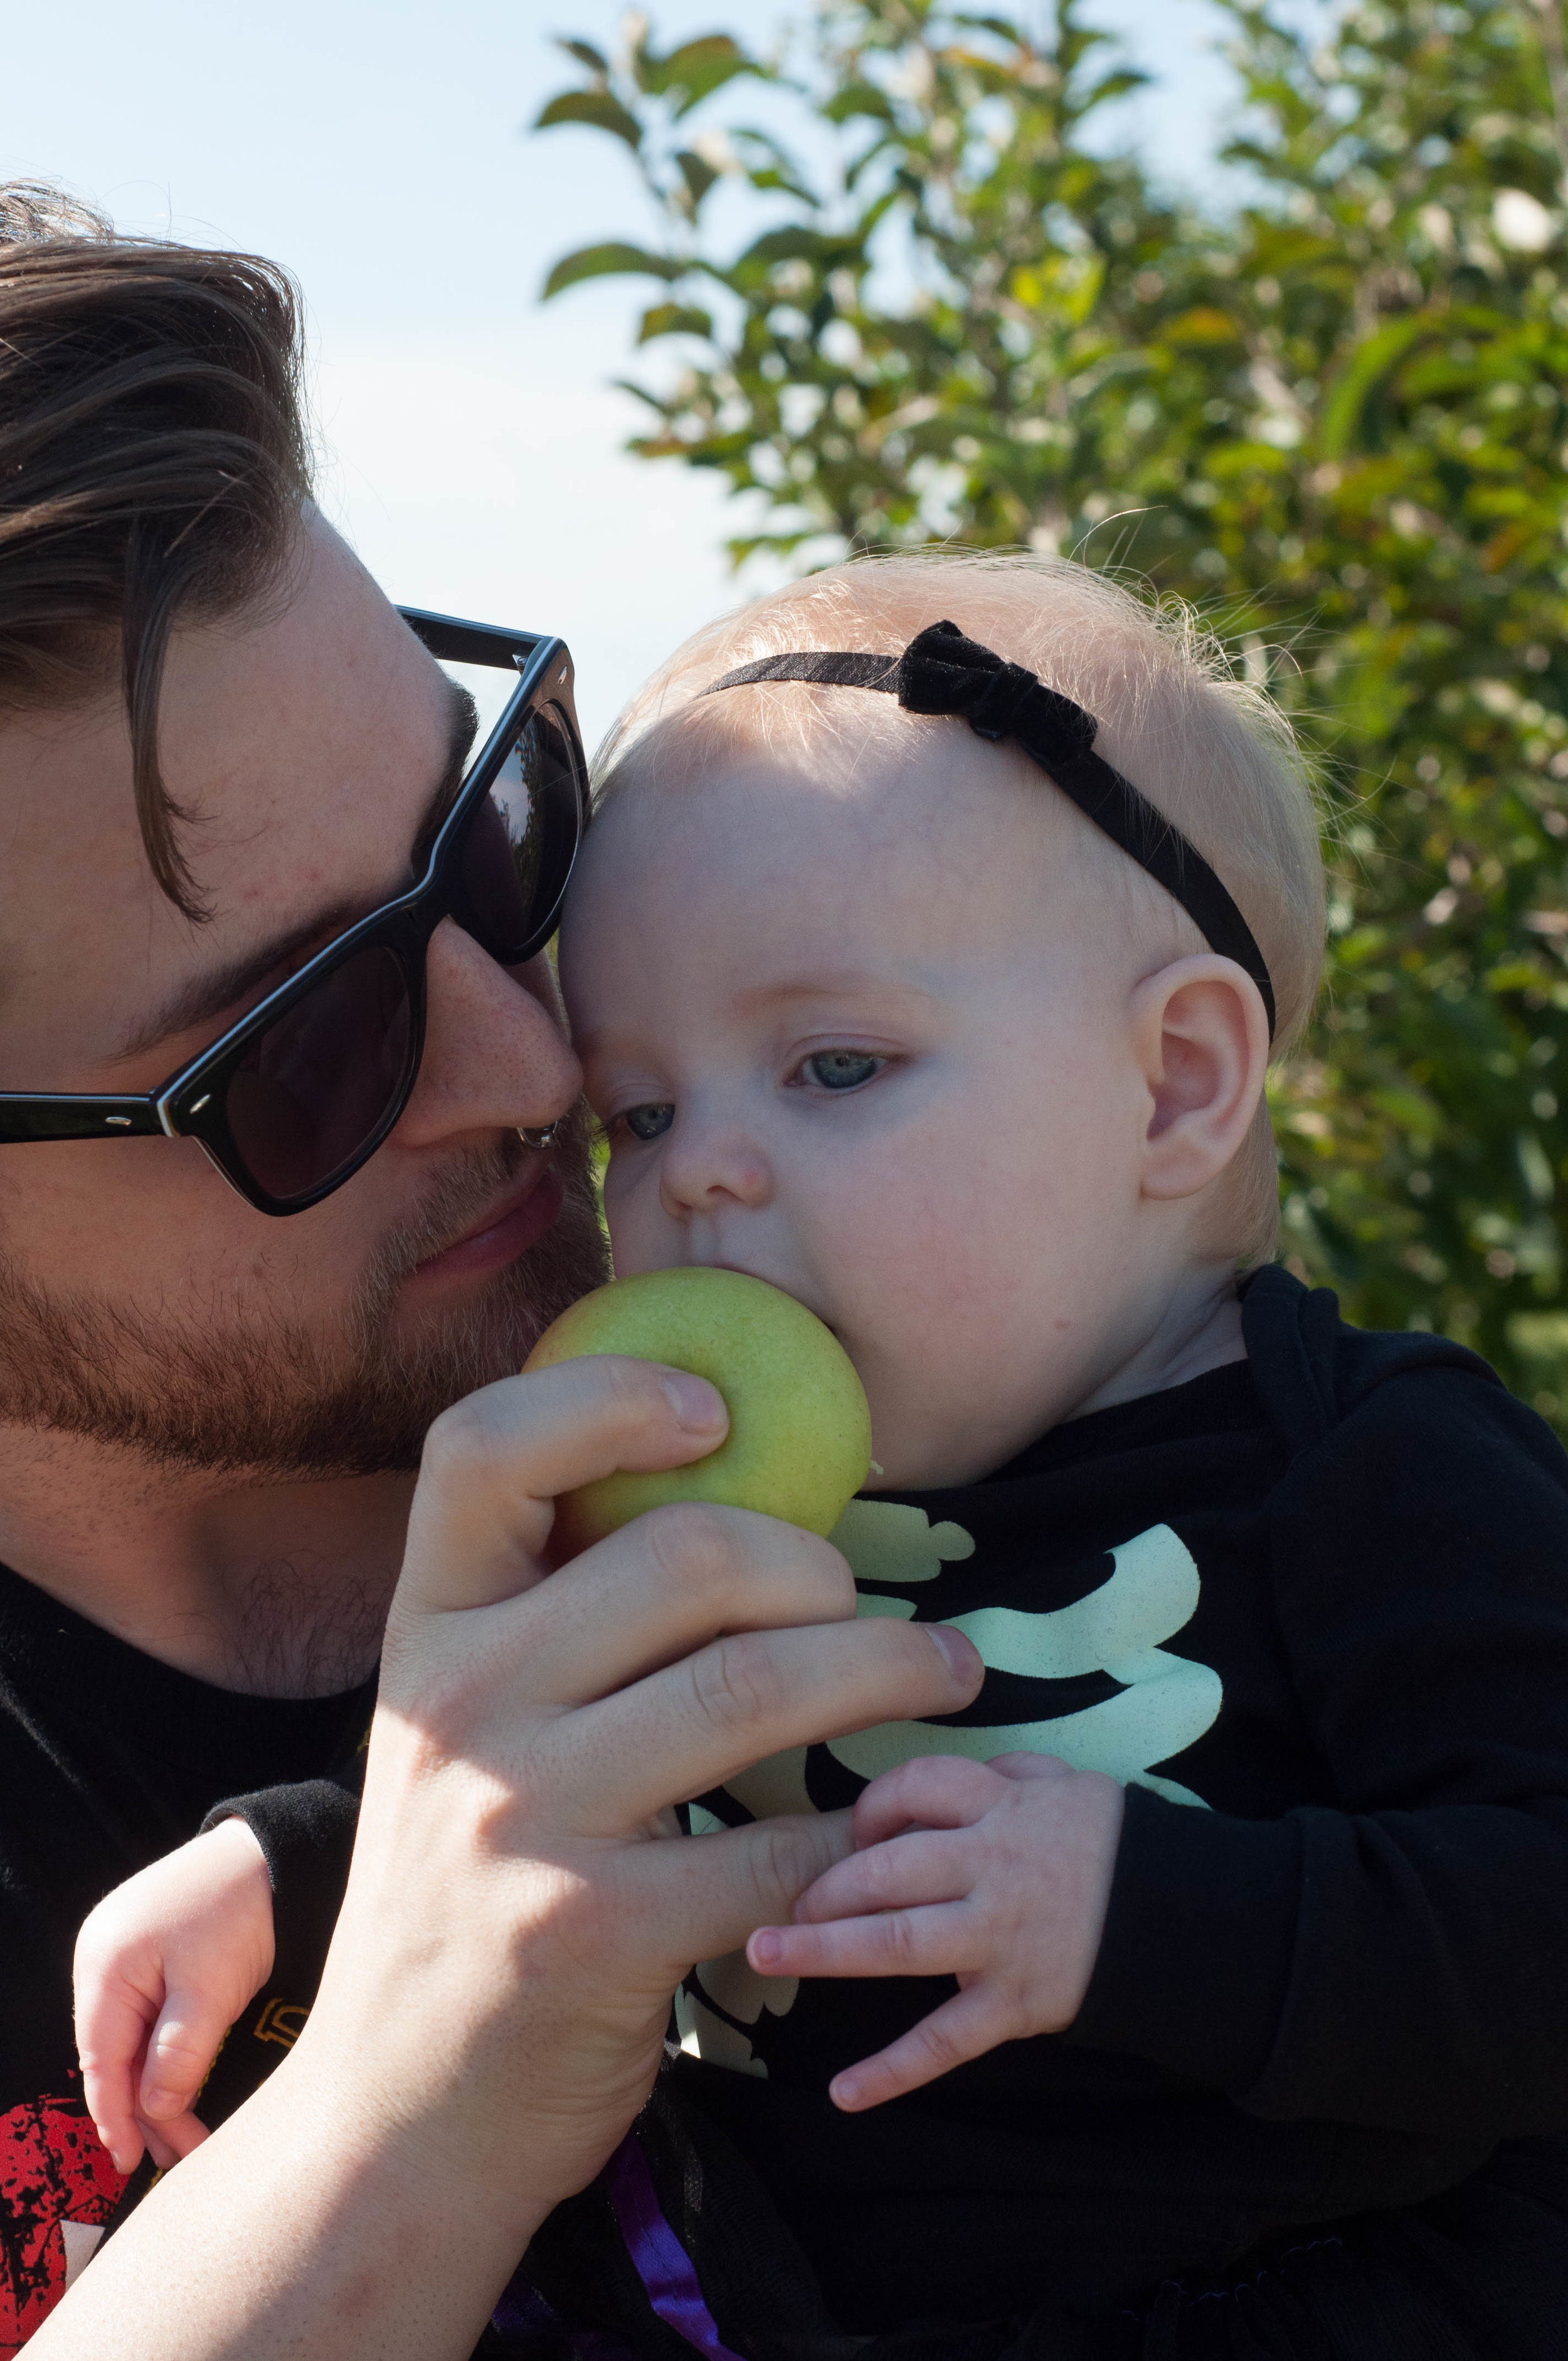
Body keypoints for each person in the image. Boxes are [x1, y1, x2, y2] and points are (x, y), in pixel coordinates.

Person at [83, 551, 1568, 2357]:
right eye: (640, 1106)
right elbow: (532, 1779)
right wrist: (301, 1859)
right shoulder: (690, 1499)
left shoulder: (1366, 1466)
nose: (695, 1170)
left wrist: (1148, 1913)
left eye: (834, 1067)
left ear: (1175, 1081)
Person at [0, 184, 984, 2358]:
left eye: (496, 831)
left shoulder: (920, 1357)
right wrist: (395, 2120)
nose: (536, 1055)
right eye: (312, 1048)